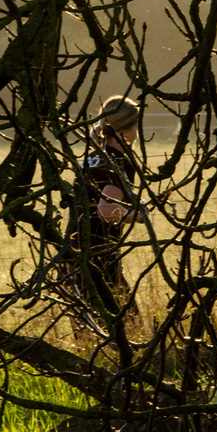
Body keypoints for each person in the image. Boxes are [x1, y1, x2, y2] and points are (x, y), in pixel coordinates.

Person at [66, 95, 145, 311]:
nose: (138, 132)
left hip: (72, 249)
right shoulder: (119, 162)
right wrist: (138, 215)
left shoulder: (89, 158)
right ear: (125, 132)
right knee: (128, 322)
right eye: (136, 126)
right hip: (99, 256)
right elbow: (107, 210)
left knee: (87, 329)